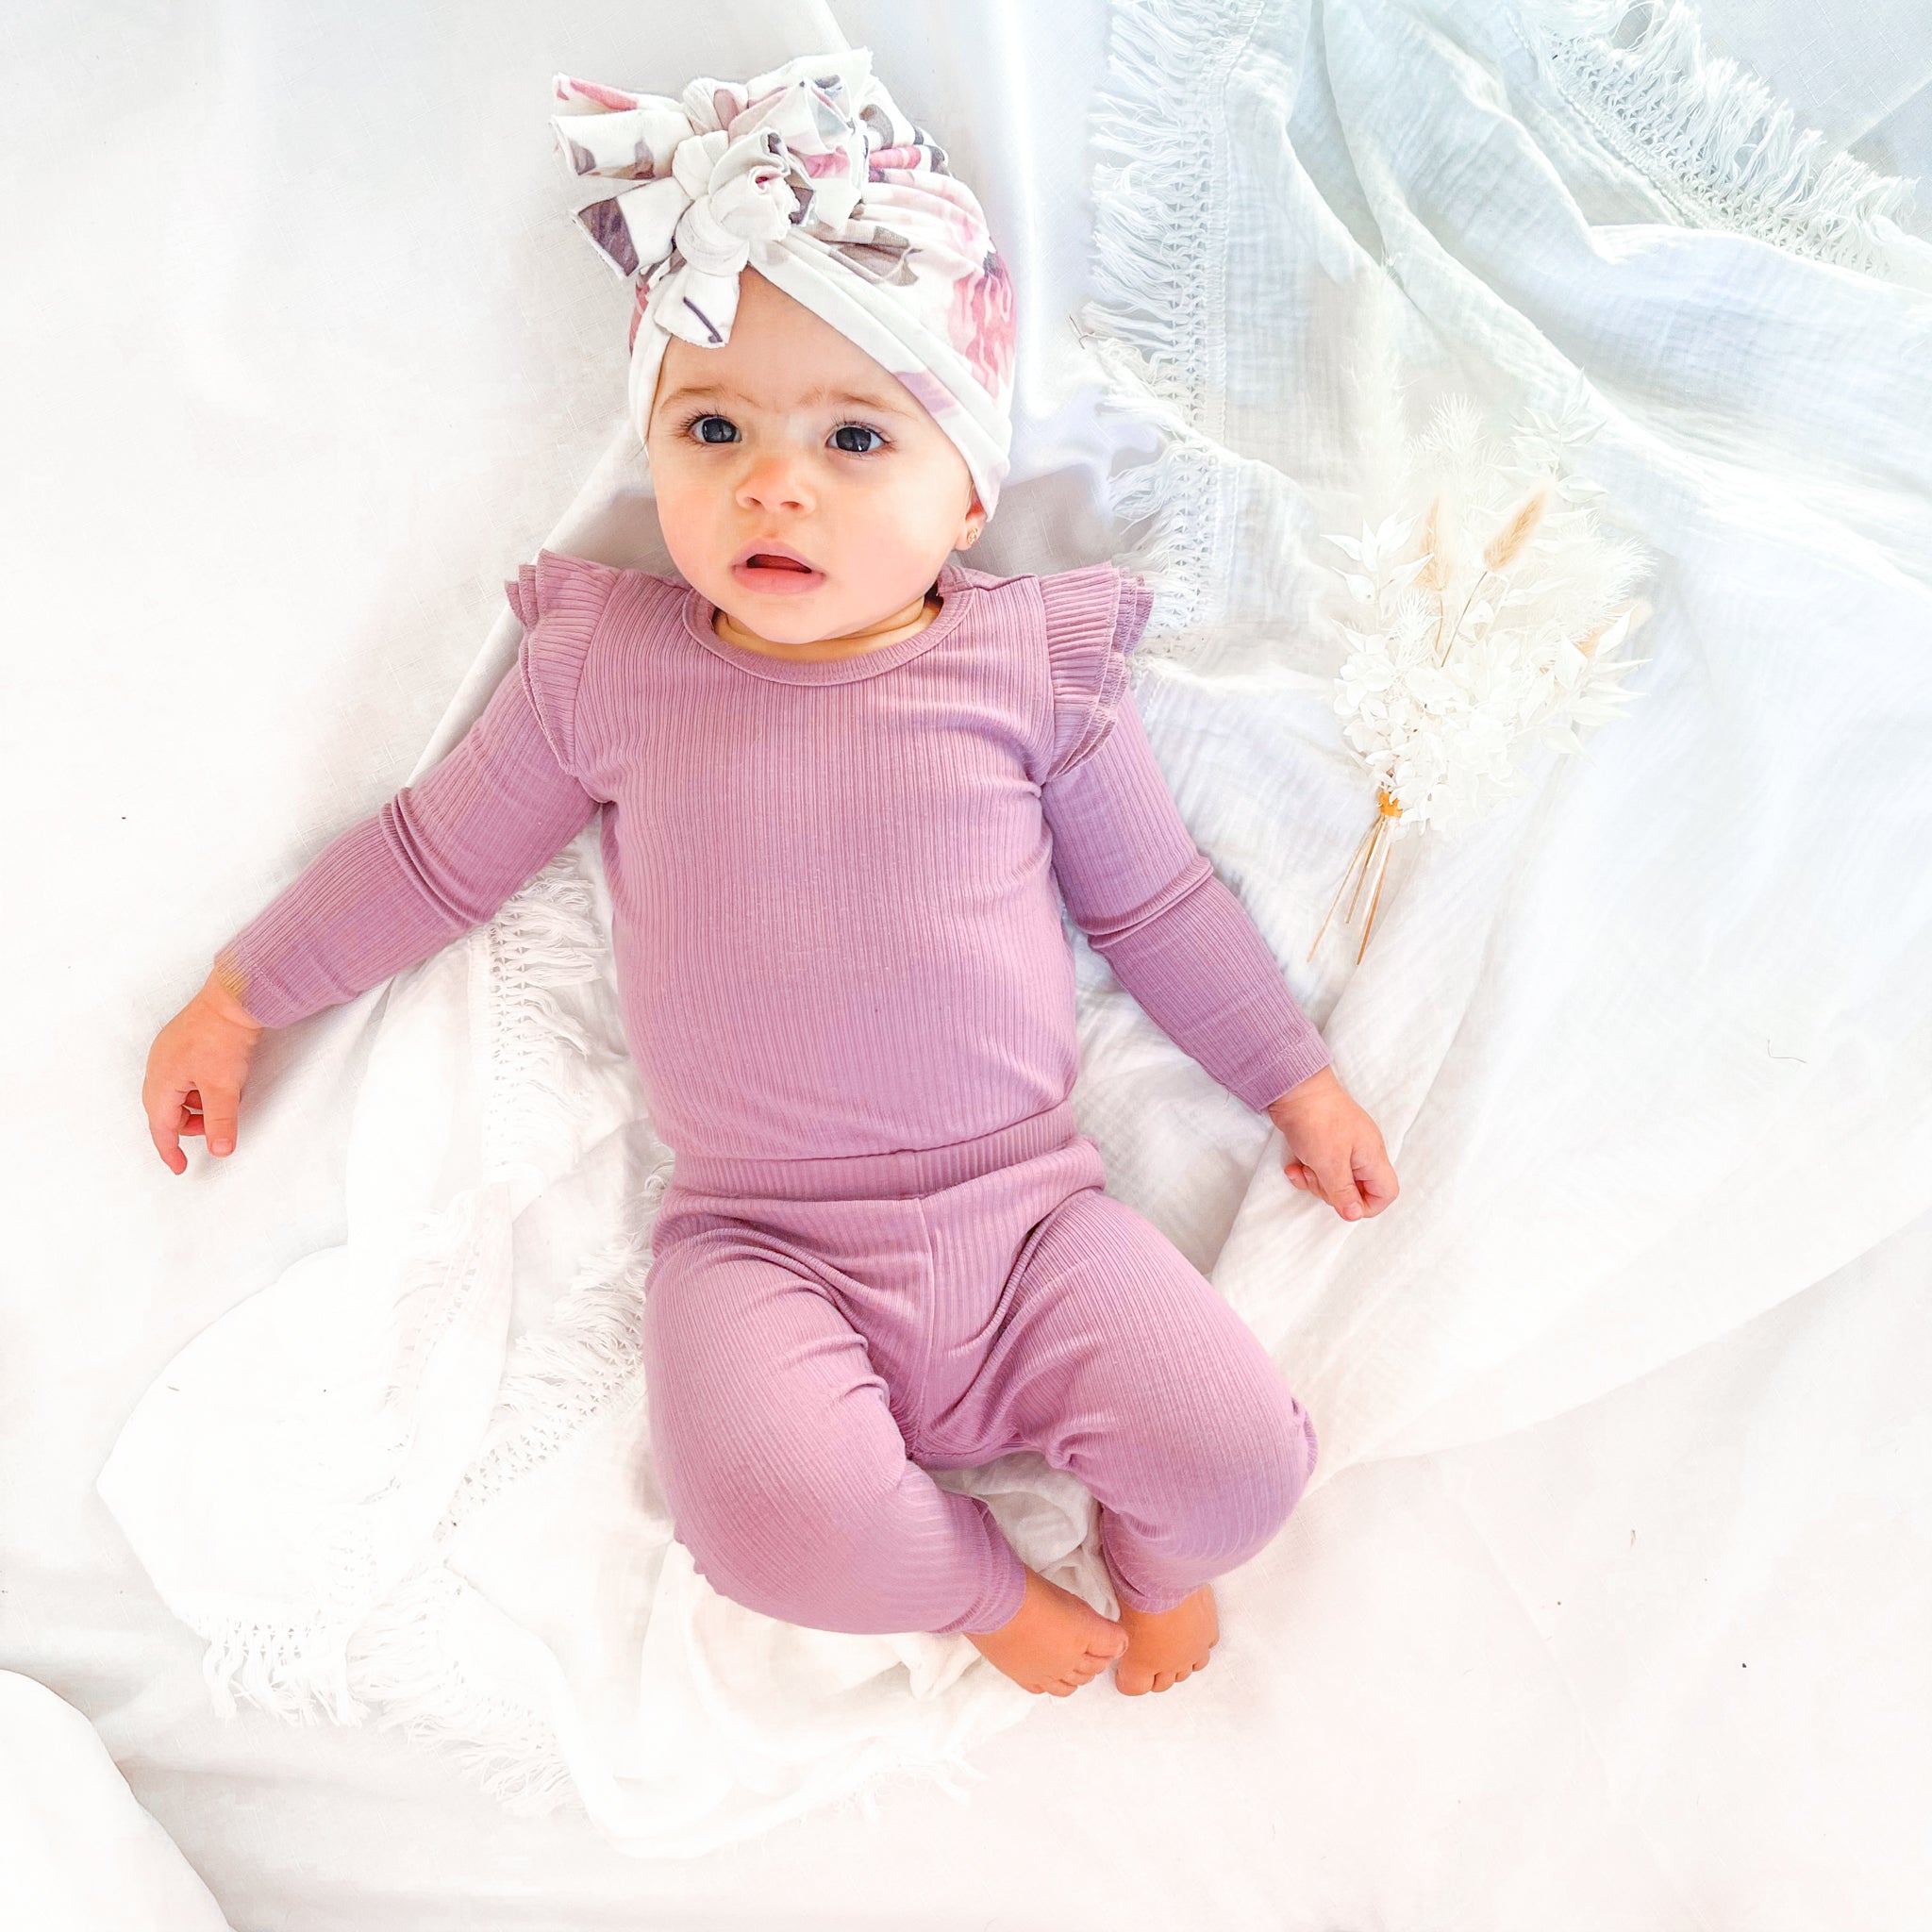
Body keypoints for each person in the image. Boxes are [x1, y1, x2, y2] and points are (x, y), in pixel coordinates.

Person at [142, 50, 1398, 1701]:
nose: (772, 481)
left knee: (1238, 1460)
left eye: (855, 436)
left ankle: (1157, 1559)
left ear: (968, 492)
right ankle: (983, 1591)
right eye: (713, 427)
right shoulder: (614, 671)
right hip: (764, 1247)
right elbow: (438, 859)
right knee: (760, 1521)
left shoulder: (1025, 671)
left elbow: (1151, 905)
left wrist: (1295, 1081)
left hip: (1031, 1220)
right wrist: (245, 996)